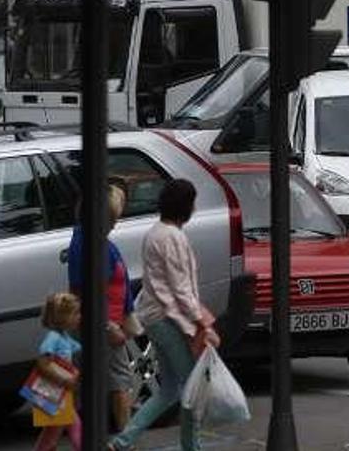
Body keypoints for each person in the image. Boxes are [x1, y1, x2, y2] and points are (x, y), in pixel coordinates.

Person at [110, 179, 220, 451]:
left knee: (170, 389)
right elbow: (180, 289)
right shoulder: (172, 237)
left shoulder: (155, 233)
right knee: (189, 387)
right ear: (186, 206)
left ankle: (123, 441)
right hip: (166, 319)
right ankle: (190, 446)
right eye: (192, 201)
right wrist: (200, 321)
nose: (195, 207)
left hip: (154, 317)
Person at [67, 185, 136, 433]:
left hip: (102, 324)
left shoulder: (87, 239)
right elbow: (90, 295)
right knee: (119, 384)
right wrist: (109, 327)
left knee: (87, 383)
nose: (116, 223)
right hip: (103, 328)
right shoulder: (93, 246)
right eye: (113, 218)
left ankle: (85, 436)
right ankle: (124, 439)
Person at [32, 292, 83, 451]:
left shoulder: (64, 337)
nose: (79, 317)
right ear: (62, 317)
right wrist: (64, 380)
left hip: (58, 391)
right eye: (75, 313)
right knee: (67, 429)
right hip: (52, 390)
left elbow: (78, 349)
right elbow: (42, 363)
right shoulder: (53, 338)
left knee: (53, 434)